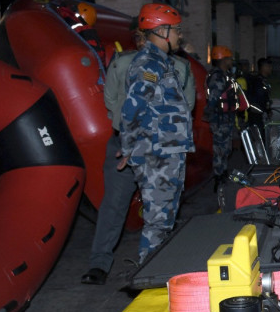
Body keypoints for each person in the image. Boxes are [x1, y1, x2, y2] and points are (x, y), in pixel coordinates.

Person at [81, 29, 195, 285]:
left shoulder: (176, 65)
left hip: (153, 146)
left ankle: (150, 265)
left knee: (157, 208)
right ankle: (102, 263)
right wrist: (136, 132)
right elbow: (111, 99)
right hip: (132, 144)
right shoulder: (127, 63)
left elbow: (185, 105)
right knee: (118, 204)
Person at [119, 3, 196, 265]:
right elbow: (132, 109)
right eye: (176, 30)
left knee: (165, 219)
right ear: (161, 31)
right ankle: (149, 272)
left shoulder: (162, 63)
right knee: (158, 222)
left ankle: (160, 268)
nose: (179, 35)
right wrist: (128, 147)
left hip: (167, 150)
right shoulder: (149, 64)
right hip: (156, 153)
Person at [204, 45, 243, 186]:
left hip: (226, 117)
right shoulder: (217, 77)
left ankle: (223, 172)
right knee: (220, 149)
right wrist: (212, 116)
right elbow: (213, 99)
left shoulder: (225, 75)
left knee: (226, 148)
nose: (231, 61)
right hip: (220, 119)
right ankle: (218, 176)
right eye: (229, 59)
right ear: (223, 59)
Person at [247, 56, 274, 128]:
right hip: (256, 115)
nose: (271, 68)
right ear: (263, 67)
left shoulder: (263, 81)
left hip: (260, 114)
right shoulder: (258, 82)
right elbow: (259, 99)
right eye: (269, 66)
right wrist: (265, 110)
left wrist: (268, 110)